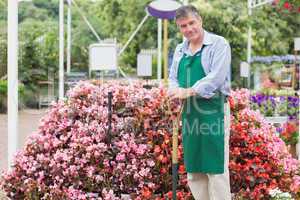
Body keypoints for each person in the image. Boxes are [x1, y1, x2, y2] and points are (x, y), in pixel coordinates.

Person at [168, 5, 232, 200]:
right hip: (190, 113)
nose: (188, 29)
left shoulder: (219, 44)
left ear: (200, 21)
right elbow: (173, 78)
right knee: (194, 167)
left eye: (191, 23)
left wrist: (188, 91)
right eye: (183, 26)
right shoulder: (180, 49)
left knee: (216, 167)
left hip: (214, 111)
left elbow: (216, 78)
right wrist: (173, 91)